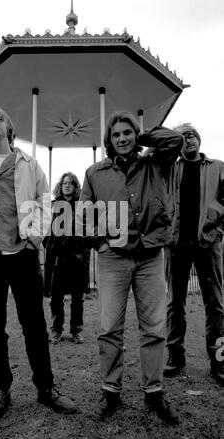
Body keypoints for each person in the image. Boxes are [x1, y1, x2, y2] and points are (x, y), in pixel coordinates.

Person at [0, 104, 76, 423]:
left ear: (9, 129)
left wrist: (35, 239)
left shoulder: (29, 164)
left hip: (22, 256)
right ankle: (1, 391)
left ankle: (46, 388)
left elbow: (46, 203)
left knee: (34, 326)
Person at [79, 110, 183, 423]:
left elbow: (175, 139)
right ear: (108, 141)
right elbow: (85, 213)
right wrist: (101, 242)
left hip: (150, 255)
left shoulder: (155, 163)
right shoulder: (95, 172)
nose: (122, 139)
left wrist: (144, 135)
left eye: (128, 133)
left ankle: (154, 393)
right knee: (109, 328)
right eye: (117, 135)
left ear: (135, 136)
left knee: (153, 328)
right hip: (113, 259)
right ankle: (110, 392)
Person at [164, 123, 224, 385]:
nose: (187, 139)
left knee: (216, 304)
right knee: (174, 302)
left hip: (207, 243)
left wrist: (218, 227)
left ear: (198, 139)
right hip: (177, 244)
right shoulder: (170, 169)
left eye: (190, 135)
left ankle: (220, 360)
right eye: (182, 137)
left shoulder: (217, 167)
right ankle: (175, 356)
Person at [44, 172, 90, 344]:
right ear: (60, 186)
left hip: (77, 258)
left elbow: (88, 228)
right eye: (64, 183)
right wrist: (50, 245)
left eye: (71, 183)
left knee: (78, 298)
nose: (67, 185)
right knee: (56, 297)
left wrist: (83, 249)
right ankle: (56, 330)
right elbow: (45, 229)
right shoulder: (53, 205)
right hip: (58, 258)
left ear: (75, 186)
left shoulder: (82, 206)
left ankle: (76, 330)